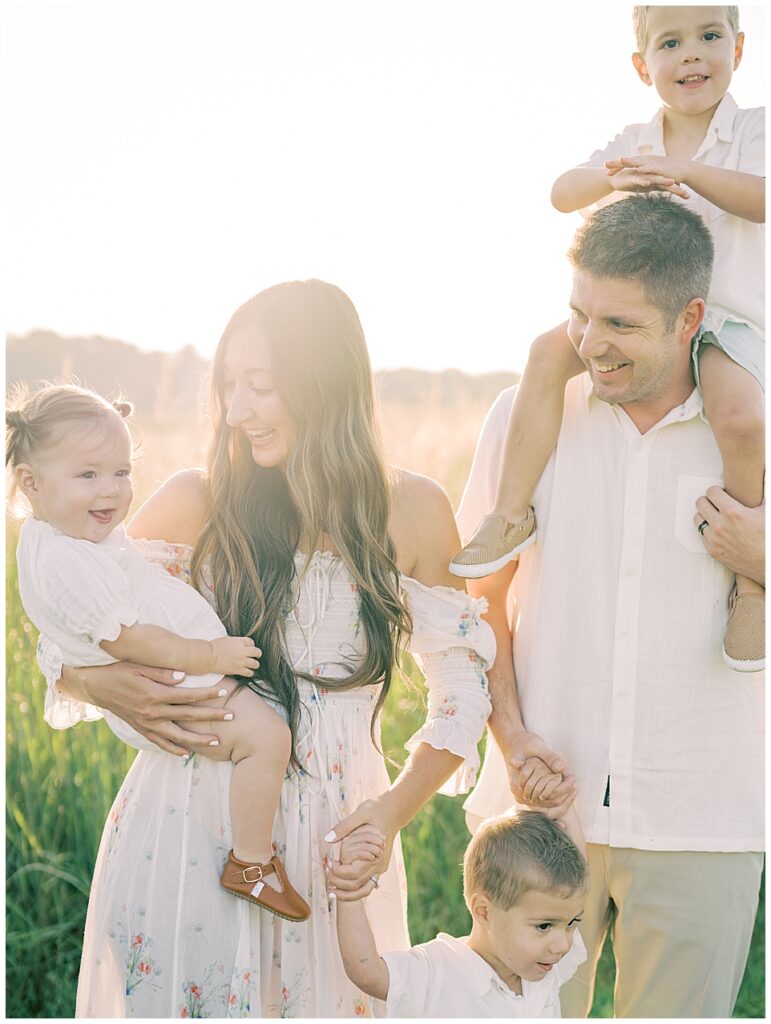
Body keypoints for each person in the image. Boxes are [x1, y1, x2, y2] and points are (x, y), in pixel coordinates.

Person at [30, 279, 566, 1017]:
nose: (236, 408)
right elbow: (64, 627)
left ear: (325, 384)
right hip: (190, 820)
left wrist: (388, 814)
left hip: (337, 835)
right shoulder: (198, 500)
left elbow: (462, 689)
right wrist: (99, 685)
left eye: (260, 385)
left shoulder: (410, 511)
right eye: (228, 385)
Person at [457, 195, 764, 1018]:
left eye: (621, 325)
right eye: (579, 316)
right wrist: (511, 735)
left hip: (706, 811)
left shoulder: (754, 429)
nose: (592, 343)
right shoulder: (523, 420)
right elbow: (474, 605)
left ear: (688, 317)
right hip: (540, 817)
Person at [450, 4, 765, 673]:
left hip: (724, 321)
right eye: (669, 42)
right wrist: (616, 175)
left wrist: (685, 174)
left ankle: (749, 575)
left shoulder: (752, 132)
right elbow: (562, 192)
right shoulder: (634, 136)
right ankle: (508, 515)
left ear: (737, 50)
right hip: (634, 319)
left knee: (738, 416)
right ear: (640, 64)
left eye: (709, 37)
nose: (690, 55)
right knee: (543, 354)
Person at [7, 383, 310, 922]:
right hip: (176, 682)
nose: (113, 491)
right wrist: (212, 654)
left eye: (122, 472)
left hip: (177, 674)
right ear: (30, 483)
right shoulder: (63, 558)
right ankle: (251, 861)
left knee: (263, 731)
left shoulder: (73, 538)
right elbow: (127, 640)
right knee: (268, 737)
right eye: (88, 475)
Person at [335, 807, 588, 1018]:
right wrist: (349, 893)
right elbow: (368, 974)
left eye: (572, 923)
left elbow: (576, 883)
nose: (564, 944)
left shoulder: (543, 964)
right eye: (544, 926)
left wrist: (563, 806)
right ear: (484, 912)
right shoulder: (438, 972)